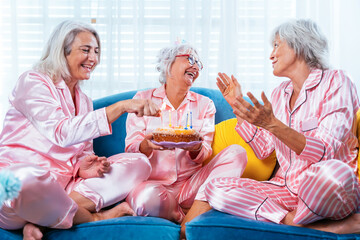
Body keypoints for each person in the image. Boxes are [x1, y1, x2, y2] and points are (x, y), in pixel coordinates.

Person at [0, 20, 160, 240]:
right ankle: (92, 217)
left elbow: (81, 153)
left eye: (96, 51)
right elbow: (62, 132)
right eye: (85, 50)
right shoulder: (33, 81)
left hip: (62, 190)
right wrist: (122, 106)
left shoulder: (84, 101)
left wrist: (84, 167)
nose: (93, 58)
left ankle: (43, 221)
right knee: (26, 178)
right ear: (62, 52)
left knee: (139, 163)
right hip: (18, 189)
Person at [201, 18, 360, 228]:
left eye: (277, 45)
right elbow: (265, 150)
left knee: (334, 173)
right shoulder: (278, 94)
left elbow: (326, 152)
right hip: (285, 190)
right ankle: (296, 222)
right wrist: (237, 105)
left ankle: (305, 219)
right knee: (215, 187)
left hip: (325, 187)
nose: (271, 54)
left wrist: (273, 124)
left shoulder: (337, 81)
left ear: (300, 45)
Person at [124, 42, 248, 238]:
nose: (196, 66)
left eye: (199, 63)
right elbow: (130, 148)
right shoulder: (142, 99)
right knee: (144, 199)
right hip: (154, 185)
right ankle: (185, 215)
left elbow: (205, 151)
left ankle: (189, 220)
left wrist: (196, 147)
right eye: (190, 59)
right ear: (168, 64)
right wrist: (146, 145)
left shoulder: (205, 104)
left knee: (237, 153)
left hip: (192, 187)